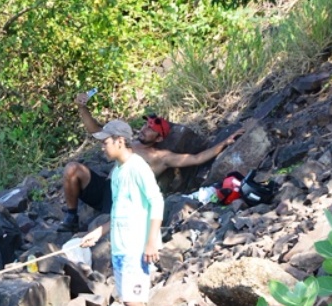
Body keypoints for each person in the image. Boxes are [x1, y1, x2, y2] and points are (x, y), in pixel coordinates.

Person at [61, 91, 244, 230]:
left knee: (108, 225)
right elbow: (97, 131)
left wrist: (225, 142)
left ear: (158, 139)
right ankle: (71, 217)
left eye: (150, 129)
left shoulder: (160, 157)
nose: (144, 129)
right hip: (106, 188)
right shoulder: (126, 142)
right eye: (145, 125)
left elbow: (196, 158)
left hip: (123, 199)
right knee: (72, 168)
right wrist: (82, 107)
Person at [79, 119, 164, 306]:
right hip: (120, 245)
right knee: (127, 300)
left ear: (120, 141)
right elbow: (119, 211)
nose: (103, 147)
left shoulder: (138, 167)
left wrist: (151, 242)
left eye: (105, 142)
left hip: (137, 246)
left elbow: (157, 202)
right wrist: (99, 231)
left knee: (135, 301)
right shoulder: (117, 172)